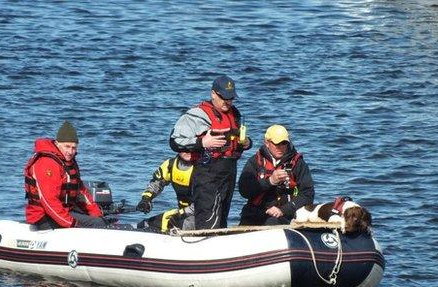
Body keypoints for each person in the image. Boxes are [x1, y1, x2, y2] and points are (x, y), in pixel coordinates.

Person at [169, 75, 251, 229]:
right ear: (213, 94)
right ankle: (203, 242)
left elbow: (238, 140)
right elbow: (175, 141)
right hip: (208, 174)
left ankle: (220, 245)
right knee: (208, 219)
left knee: (222, 218)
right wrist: (202, 142)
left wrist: (246, 143)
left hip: (229, 172)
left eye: (231, 98)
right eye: (224, 98)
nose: (228, 102)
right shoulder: (197, 115)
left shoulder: (235, 114)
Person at [24, 120, 107, 230]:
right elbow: (49, 201)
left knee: (99, 220)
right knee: (97, 224)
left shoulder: (69, 162)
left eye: (74, 148)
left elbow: (81, 192)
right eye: (67, 146)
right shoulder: (46, 163)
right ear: (57, 144)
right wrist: (71, 223)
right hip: (44, 217)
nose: (70, 151)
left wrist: (97, 214)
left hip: (65, 212)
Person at [238, 124, 314, 226]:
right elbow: (244, 191)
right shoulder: (255, 161)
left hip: (284, 214)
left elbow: (307, 194)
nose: (281, 147)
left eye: (284, 143)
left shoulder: (298, 163)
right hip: (256, 212)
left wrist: (283, 210)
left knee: (272, 222)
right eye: (276, 144)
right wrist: (270, 181)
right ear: (267, 142)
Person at [135, 152, 195, 232]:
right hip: (182, 213)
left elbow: (206, 201)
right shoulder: (170, 164)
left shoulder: (204, 168)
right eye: (184, 147)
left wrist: (181, 214)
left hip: (202, 215)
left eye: (192, 147)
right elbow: (156, 183)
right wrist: (146, 199)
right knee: (144, 225)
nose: (188, 151)